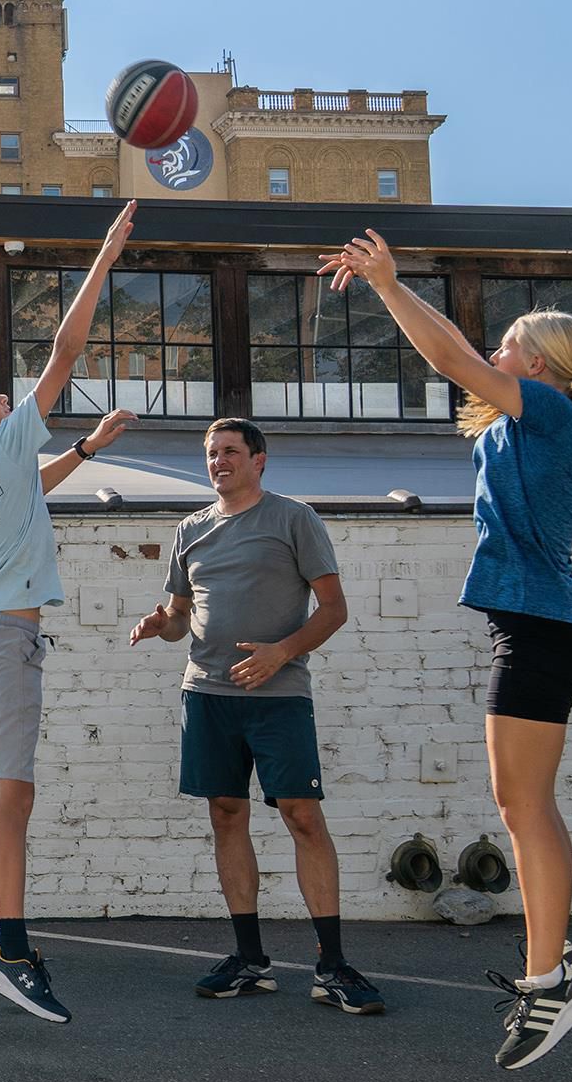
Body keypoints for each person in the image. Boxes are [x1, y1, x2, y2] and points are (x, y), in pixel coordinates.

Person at [320, 229, 572, 1070]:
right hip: (532, 630)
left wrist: (387, 285)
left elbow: (448, 358)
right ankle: (555, 970)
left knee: (523, 808)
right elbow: (462, 370)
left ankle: (551, 977)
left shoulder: (555, 412)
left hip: (545, 632)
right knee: (521, 806)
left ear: (541, 365)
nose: (493, 351)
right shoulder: (516, 428)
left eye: (508, 346)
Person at [0, 200, 137, 1023]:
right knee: (14, 794)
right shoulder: (4, 438)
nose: (0, 391)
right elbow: (66, 348)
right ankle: (11, 951)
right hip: (3, 640)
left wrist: (85, 451)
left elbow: (29, 494)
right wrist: (107, 253)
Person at [130, 419, 385, 1016]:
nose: (219, 462)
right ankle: (250, 960)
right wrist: (158, 625)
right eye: (211, 454)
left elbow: (334, 609)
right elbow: (177, 618)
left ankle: (333, 964)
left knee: (301, 816)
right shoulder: (190, 530)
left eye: (230, 452)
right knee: (226, 815)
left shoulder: (294, 518)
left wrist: (282, 653)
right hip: (208, 695)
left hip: (279, 697)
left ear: (259, 460)